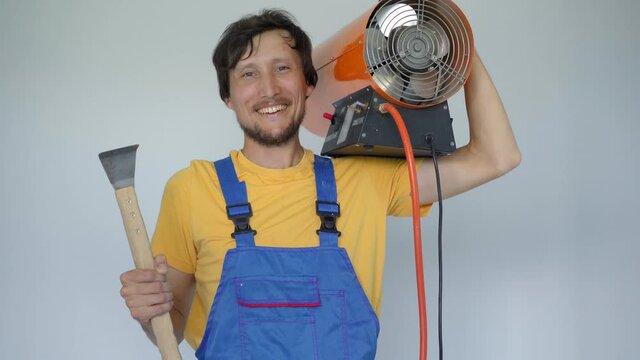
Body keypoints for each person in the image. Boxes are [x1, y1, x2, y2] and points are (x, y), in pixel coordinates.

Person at [119, 8, 520, 359]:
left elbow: (497, 157)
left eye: (282, 68)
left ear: (309, 83)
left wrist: (454, 45)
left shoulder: (364, 179)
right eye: (248, 74)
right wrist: (149, 309)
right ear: (228, 96)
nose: (269, 89)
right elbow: (169, 329)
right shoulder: (192, 188)